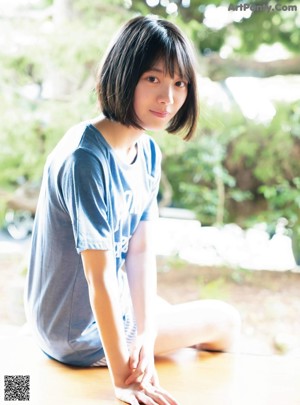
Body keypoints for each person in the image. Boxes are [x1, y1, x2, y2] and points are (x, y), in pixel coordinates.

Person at [25, 15, 241, 405]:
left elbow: (139, 253)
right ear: (124, 76)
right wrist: (124, 376)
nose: (168, 98)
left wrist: (144, 333)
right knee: (226, 321)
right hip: (73, 333)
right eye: (153, 79)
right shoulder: (84, 158)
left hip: (96, 311)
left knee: (159, 315)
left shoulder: (147, 153)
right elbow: (100, 278)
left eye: (179, 83)